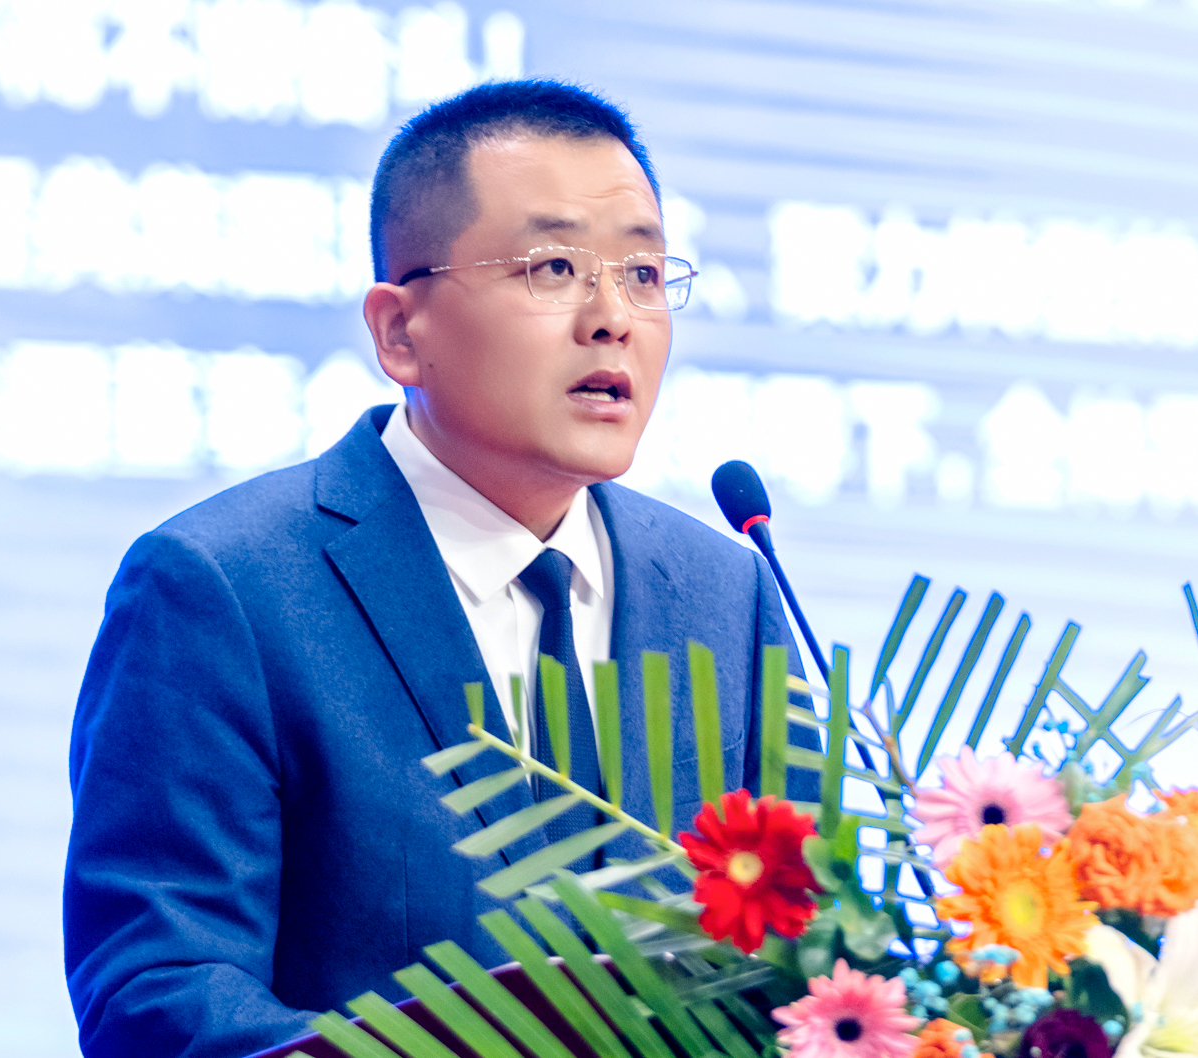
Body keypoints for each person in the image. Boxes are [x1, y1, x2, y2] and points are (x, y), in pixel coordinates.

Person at [63, 79, 817, 1058]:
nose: (612, 317)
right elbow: (159, 992)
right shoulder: (221, 587)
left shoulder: (724, 592)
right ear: (399, 331)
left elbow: (809, 959)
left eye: (642, 271)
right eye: (554, 267)